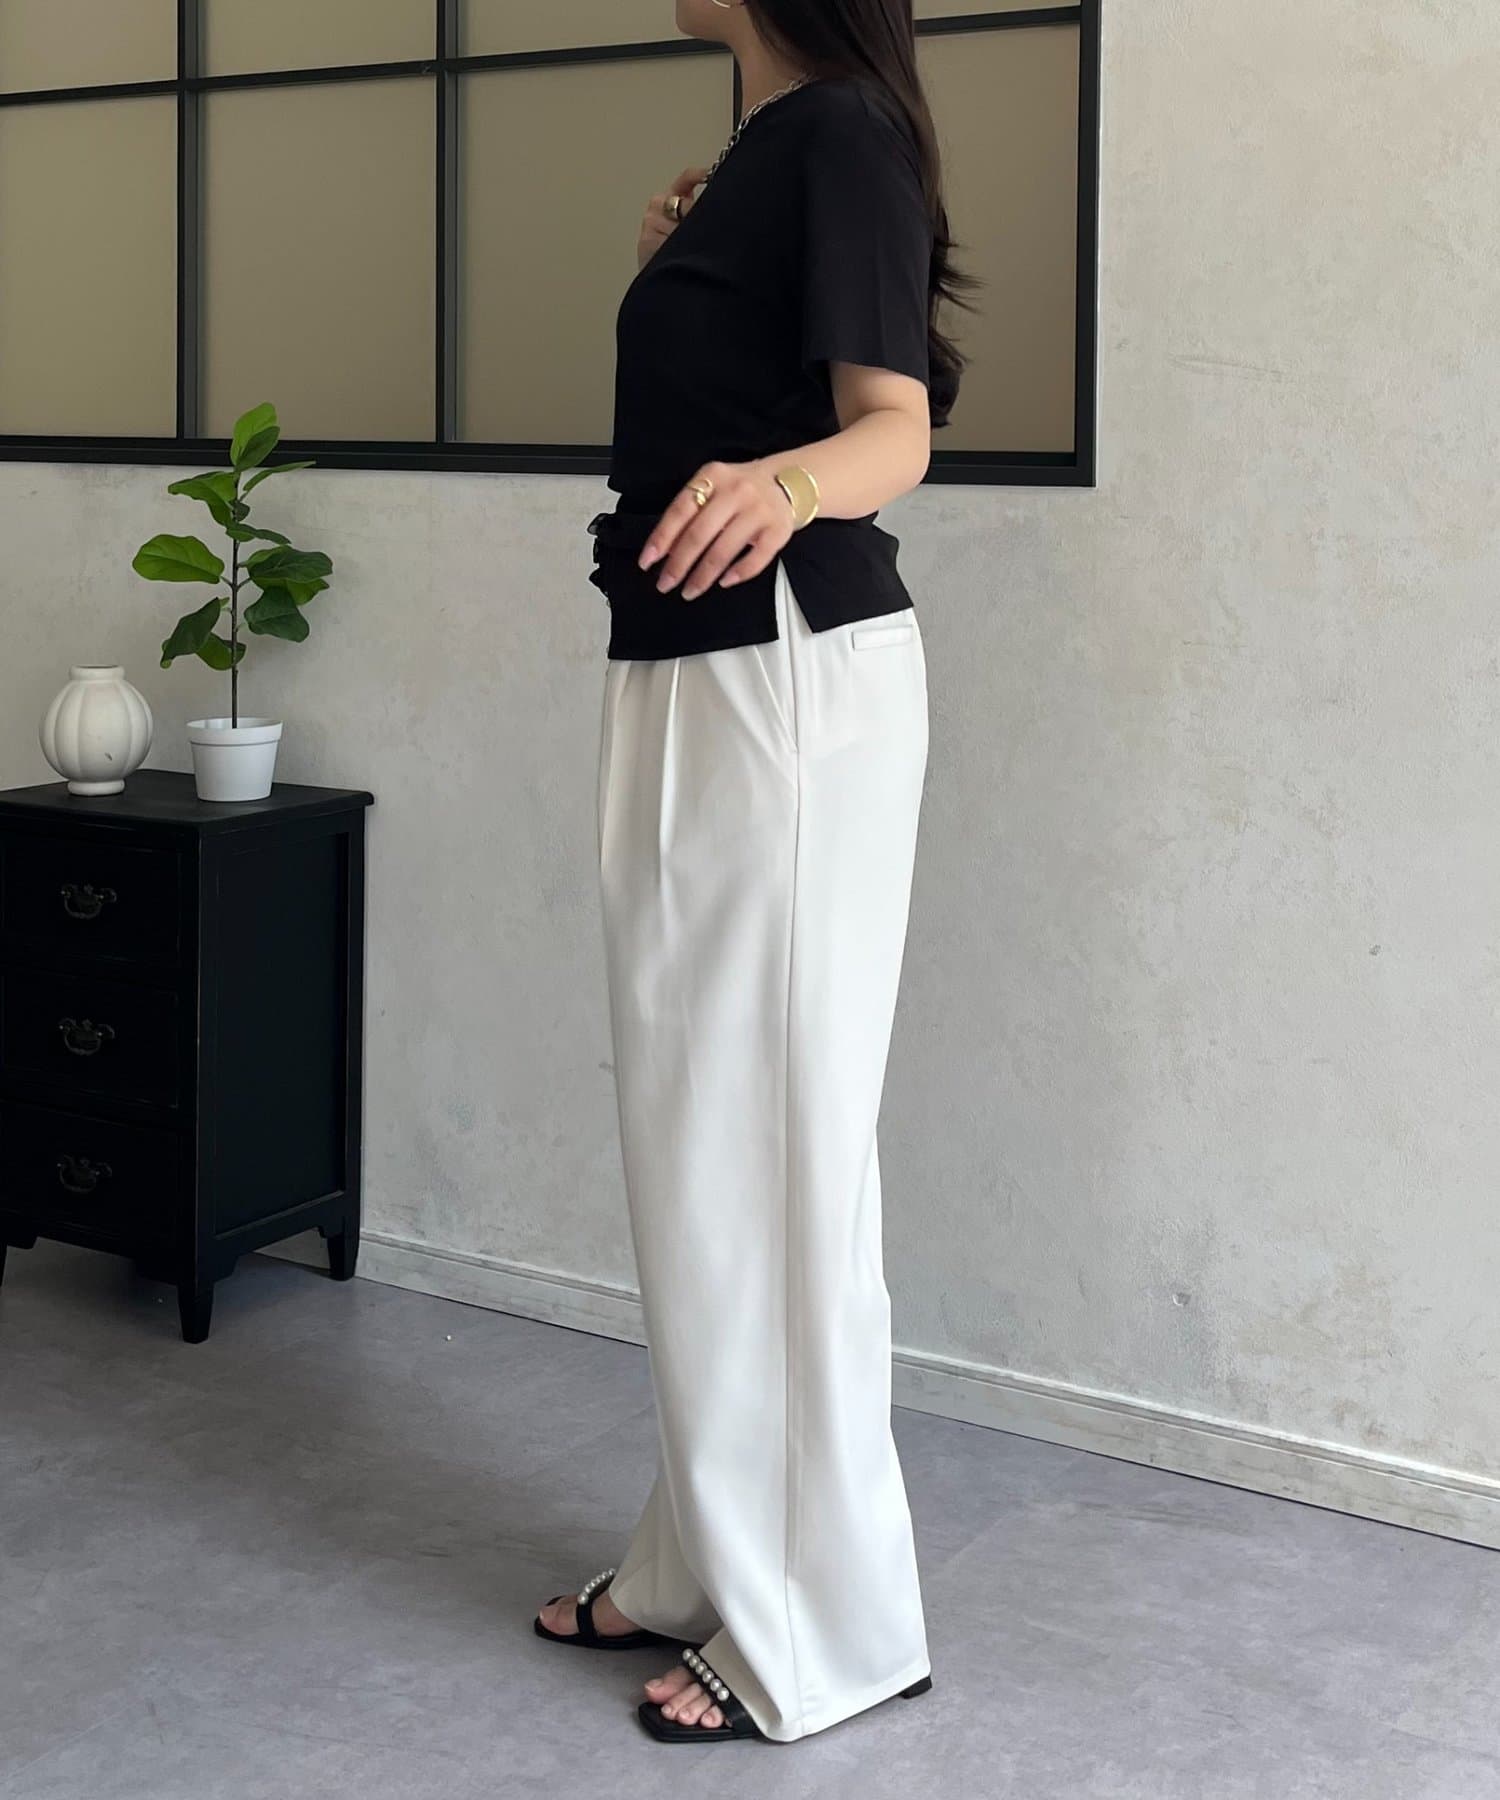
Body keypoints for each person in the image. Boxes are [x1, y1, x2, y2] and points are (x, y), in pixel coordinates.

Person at [534, 0, 974, 1746]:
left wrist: (782, 481)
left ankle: (828, 1627)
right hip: (688, 673)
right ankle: (703, 1553)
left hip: (781, 672)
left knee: (770, 1150)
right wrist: (688, 267)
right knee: (695, 1141)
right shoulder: (770, 150)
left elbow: (895, 431)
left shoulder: (842, 128)